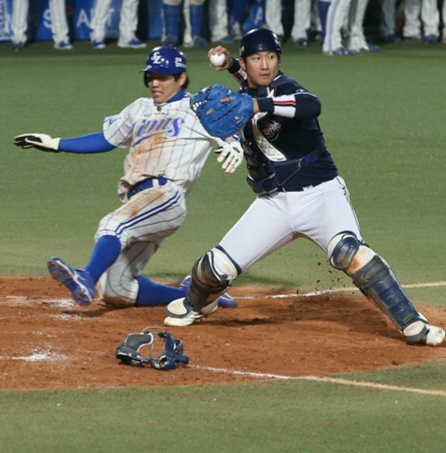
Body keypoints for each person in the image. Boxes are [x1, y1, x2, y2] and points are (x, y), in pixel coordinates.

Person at [163, 29, 445, 349]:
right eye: (256, 59)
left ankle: (413, 324)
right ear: (246, 61)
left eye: (271, 57)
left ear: (279, 60)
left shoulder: (286, 90)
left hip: (321, 195)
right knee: (211, 270)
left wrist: (255, 102)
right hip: (274, 205)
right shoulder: (248, 88)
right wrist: (231, 66)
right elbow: (249, 82)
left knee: (349, 253)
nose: (265, 64)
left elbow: (309, 104)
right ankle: (198, 305)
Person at [14, 46, 241, 309]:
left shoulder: (197, 109)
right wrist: (55, 143)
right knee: (115, 290)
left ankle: (86, 276)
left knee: (113, 225)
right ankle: (201, 296)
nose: (155, 83)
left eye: (163, 77)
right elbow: (106, 140)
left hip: (165, 196)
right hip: (138, 202)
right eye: (151, 76)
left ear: (181, 78)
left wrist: (234, 143)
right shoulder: (139, 108)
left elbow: (232, 128)